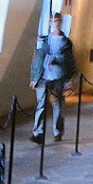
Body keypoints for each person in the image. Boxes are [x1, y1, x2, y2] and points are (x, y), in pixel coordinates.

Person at [30, 11, 78, 143]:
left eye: (57, 21)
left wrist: (69, 79)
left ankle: (57, 131)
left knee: (58, 105)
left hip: (59, 77)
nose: (55, 23)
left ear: (60, 22)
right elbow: (38, 59)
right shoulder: (45, 41)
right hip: (44, 77)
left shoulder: (66, 43)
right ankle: (38, 133)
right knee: (41, 105)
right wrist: (35, 77)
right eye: (52, 21)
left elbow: (71, 61)